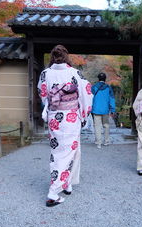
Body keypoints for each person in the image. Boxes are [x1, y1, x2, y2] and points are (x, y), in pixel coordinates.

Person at [37, 45, 93, 207]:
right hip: (70, 118)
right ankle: (53, 192)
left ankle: (66, 183)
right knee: (66, 152)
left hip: (55, 117)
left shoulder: (45, 74)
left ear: (52, 58)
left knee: (61, 151)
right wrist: (84, 115)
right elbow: (87, 92)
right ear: (66, 57)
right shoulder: (74, 73)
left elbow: (43, 95)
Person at [91, 72, 116, 149]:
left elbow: (90, 98)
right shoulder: (108, 88)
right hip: (105, 110)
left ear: (98, 79)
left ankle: (98, 143)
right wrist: (112, 109)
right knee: (106, 125)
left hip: (96, 109)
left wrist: (89, 108)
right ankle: (106, 141)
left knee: (97, 126)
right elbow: (111, 99)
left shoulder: (94, 87)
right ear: (105, 79)